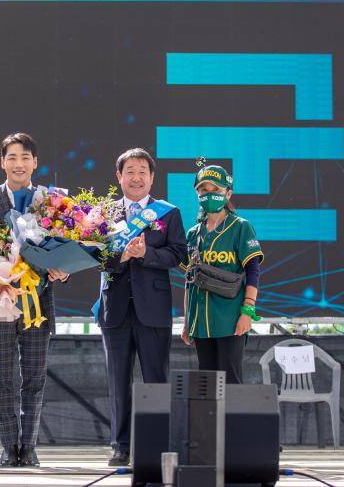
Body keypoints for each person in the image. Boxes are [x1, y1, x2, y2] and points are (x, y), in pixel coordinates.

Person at [0, 132, 69, 468]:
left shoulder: (51, 201)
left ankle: (30, 446)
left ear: (35, 162)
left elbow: (64, 249)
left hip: (38, 302)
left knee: (34, 379)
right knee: (1, 379)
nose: (19, 164)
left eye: (25, 157)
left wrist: (63, 270)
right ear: (2, 162)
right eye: (12, 157)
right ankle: (8, 447)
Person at [97, 148, 187, 467]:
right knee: (118, 382)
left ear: (151, 177)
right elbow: (94, 257)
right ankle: (120, 446)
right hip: (115, 308)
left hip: (154, 309)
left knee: (156, 379)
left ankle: (157, 444)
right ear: (119, 176)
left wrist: (146, 254)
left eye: (142, 172)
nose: (136, 178)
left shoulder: (168, 213)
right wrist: (120, 257)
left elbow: (178, 254)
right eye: (130, 171)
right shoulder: (104, 213)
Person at [179, 162, 263, 384]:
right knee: (207, 384)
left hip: (230, 319)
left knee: (231, 382)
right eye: (203, 189)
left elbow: (253, 270)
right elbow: (189, 280)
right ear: (197, 193)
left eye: (215, 189)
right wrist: (187, 322)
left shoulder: (241, 227)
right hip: (200, 321)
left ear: (228, 193)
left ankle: (234, 413)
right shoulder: (193, 233)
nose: (209, 194)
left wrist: (248, 311)